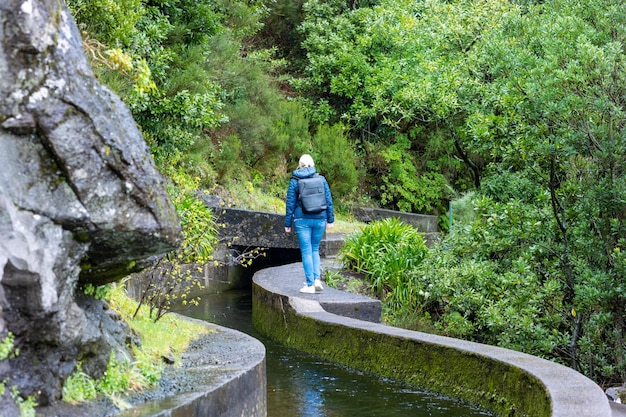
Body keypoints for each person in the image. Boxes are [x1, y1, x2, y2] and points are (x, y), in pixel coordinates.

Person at [284, 154, 335, 293]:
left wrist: (287, 223)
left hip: (302, 220)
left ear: (299, 165)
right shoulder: (321, 179)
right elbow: (328, 200)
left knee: (306, 250)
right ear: (312, 164)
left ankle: (310, 285)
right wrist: (330, 219)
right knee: (314, 249)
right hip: (320, 219)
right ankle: (317, 280)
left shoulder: (295, 180)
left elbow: (290, 203)